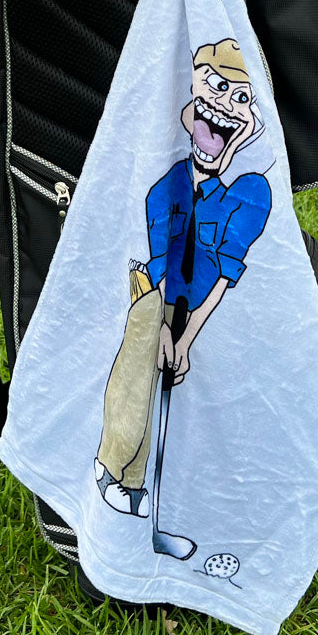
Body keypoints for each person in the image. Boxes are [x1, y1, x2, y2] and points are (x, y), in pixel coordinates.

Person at [94, 38, 272, 543]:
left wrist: (186, 339)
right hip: (153, 298)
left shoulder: (250, 193)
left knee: (163, 369)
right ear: (191, 106)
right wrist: (165, 334)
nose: (221, 104)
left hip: (194, 315)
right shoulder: (161, 185)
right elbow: (157, 268)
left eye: (240, 98)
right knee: (143, 339)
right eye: (213, 89)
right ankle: (115, 469)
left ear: (251, 126)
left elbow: (223, 273)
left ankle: (137, 486)